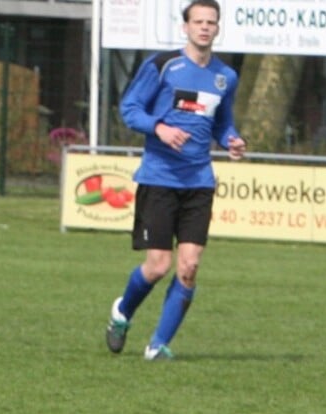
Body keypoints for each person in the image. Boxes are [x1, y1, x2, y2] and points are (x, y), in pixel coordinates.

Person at [104, 0, 246, 362]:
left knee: (189, 267)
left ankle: (158, 346)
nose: (204, 27)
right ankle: (122, 313)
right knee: (158, 266)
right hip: (160, 178)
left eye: (210, 22)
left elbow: (221, 122)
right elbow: (130, 108)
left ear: (217, 28)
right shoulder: (163, 66)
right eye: (197, 21)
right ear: (185, 27)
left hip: (199, 182)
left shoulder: (224, 77)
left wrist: (231, 138)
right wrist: (160, 128)